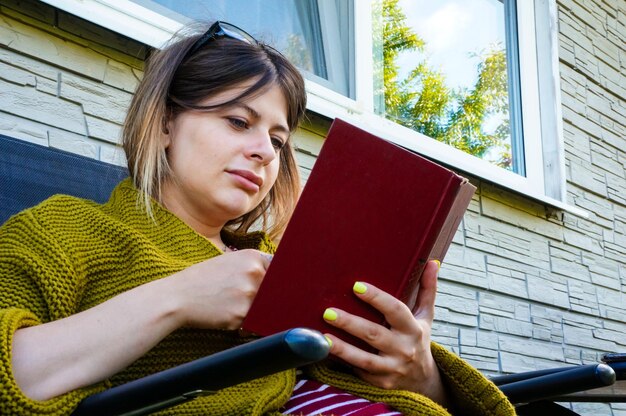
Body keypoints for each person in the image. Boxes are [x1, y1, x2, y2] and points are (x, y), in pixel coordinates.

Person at [0, 21, 515, 415]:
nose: (265, 153)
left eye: (277, 140)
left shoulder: (292, 265)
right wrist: (179, 297)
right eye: (238, 121)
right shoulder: (63, 230)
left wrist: (419, 372)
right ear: (162, 125)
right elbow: (12, 375)